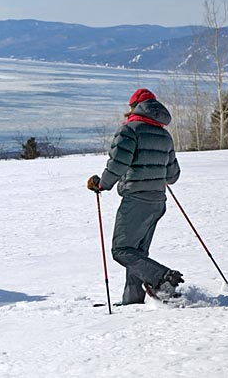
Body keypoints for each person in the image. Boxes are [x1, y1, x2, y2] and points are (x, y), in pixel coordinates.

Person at [87, 88, 182, 304]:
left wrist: (102, 184)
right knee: (137, 252)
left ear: (134, 107)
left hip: (136, 200)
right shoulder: (164, 134)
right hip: (158, 201)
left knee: (121, 250)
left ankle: (162, 277)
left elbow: (118, 163)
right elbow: (173, 175)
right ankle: (132, 301)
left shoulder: (130, 130)